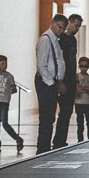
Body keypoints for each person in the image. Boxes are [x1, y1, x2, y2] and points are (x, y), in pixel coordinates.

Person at [35, 14, 67, 153]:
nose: (61, 30)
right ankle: (42, 149)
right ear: (53, 23)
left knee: (50, 118)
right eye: (60, 27)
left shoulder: (55, 40)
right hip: (46, 83)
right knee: (46, 118)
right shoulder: (45, 40)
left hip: (52, 83)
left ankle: (45, 148)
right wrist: (51, 84)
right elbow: (41, 66)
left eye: (63, 29)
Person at [52, 14, 83, 148]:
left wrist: (75, 81)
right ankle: (57, 141)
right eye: (75, 25)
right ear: (69, 23)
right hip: (63, 79)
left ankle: (61, 140)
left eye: (79, 27)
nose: (76, 29)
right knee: (63, 111)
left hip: (70, 79)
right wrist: (60, 82)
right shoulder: (61, 39)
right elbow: (59, 61)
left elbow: (73, 62)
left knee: (68, 111)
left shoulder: (73, 40)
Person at [0, 55, 24, 153]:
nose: (4, 65)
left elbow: (14, 89)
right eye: (2, 63)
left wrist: (8, 93)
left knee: (4, 122)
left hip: (4, 101)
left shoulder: (9, 76)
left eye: (5, 63)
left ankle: (17, 138)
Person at [75, 56, 89, 141]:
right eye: (81, 66)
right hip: (79, 102)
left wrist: (83, 88)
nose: (83, 68)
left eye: (85, 66)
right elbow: (77, 89)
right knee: (80, 124)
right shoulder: (76, 76)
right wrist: (86, 88)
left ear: (88, 67)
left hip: (88, 102)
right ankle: (80, 140)